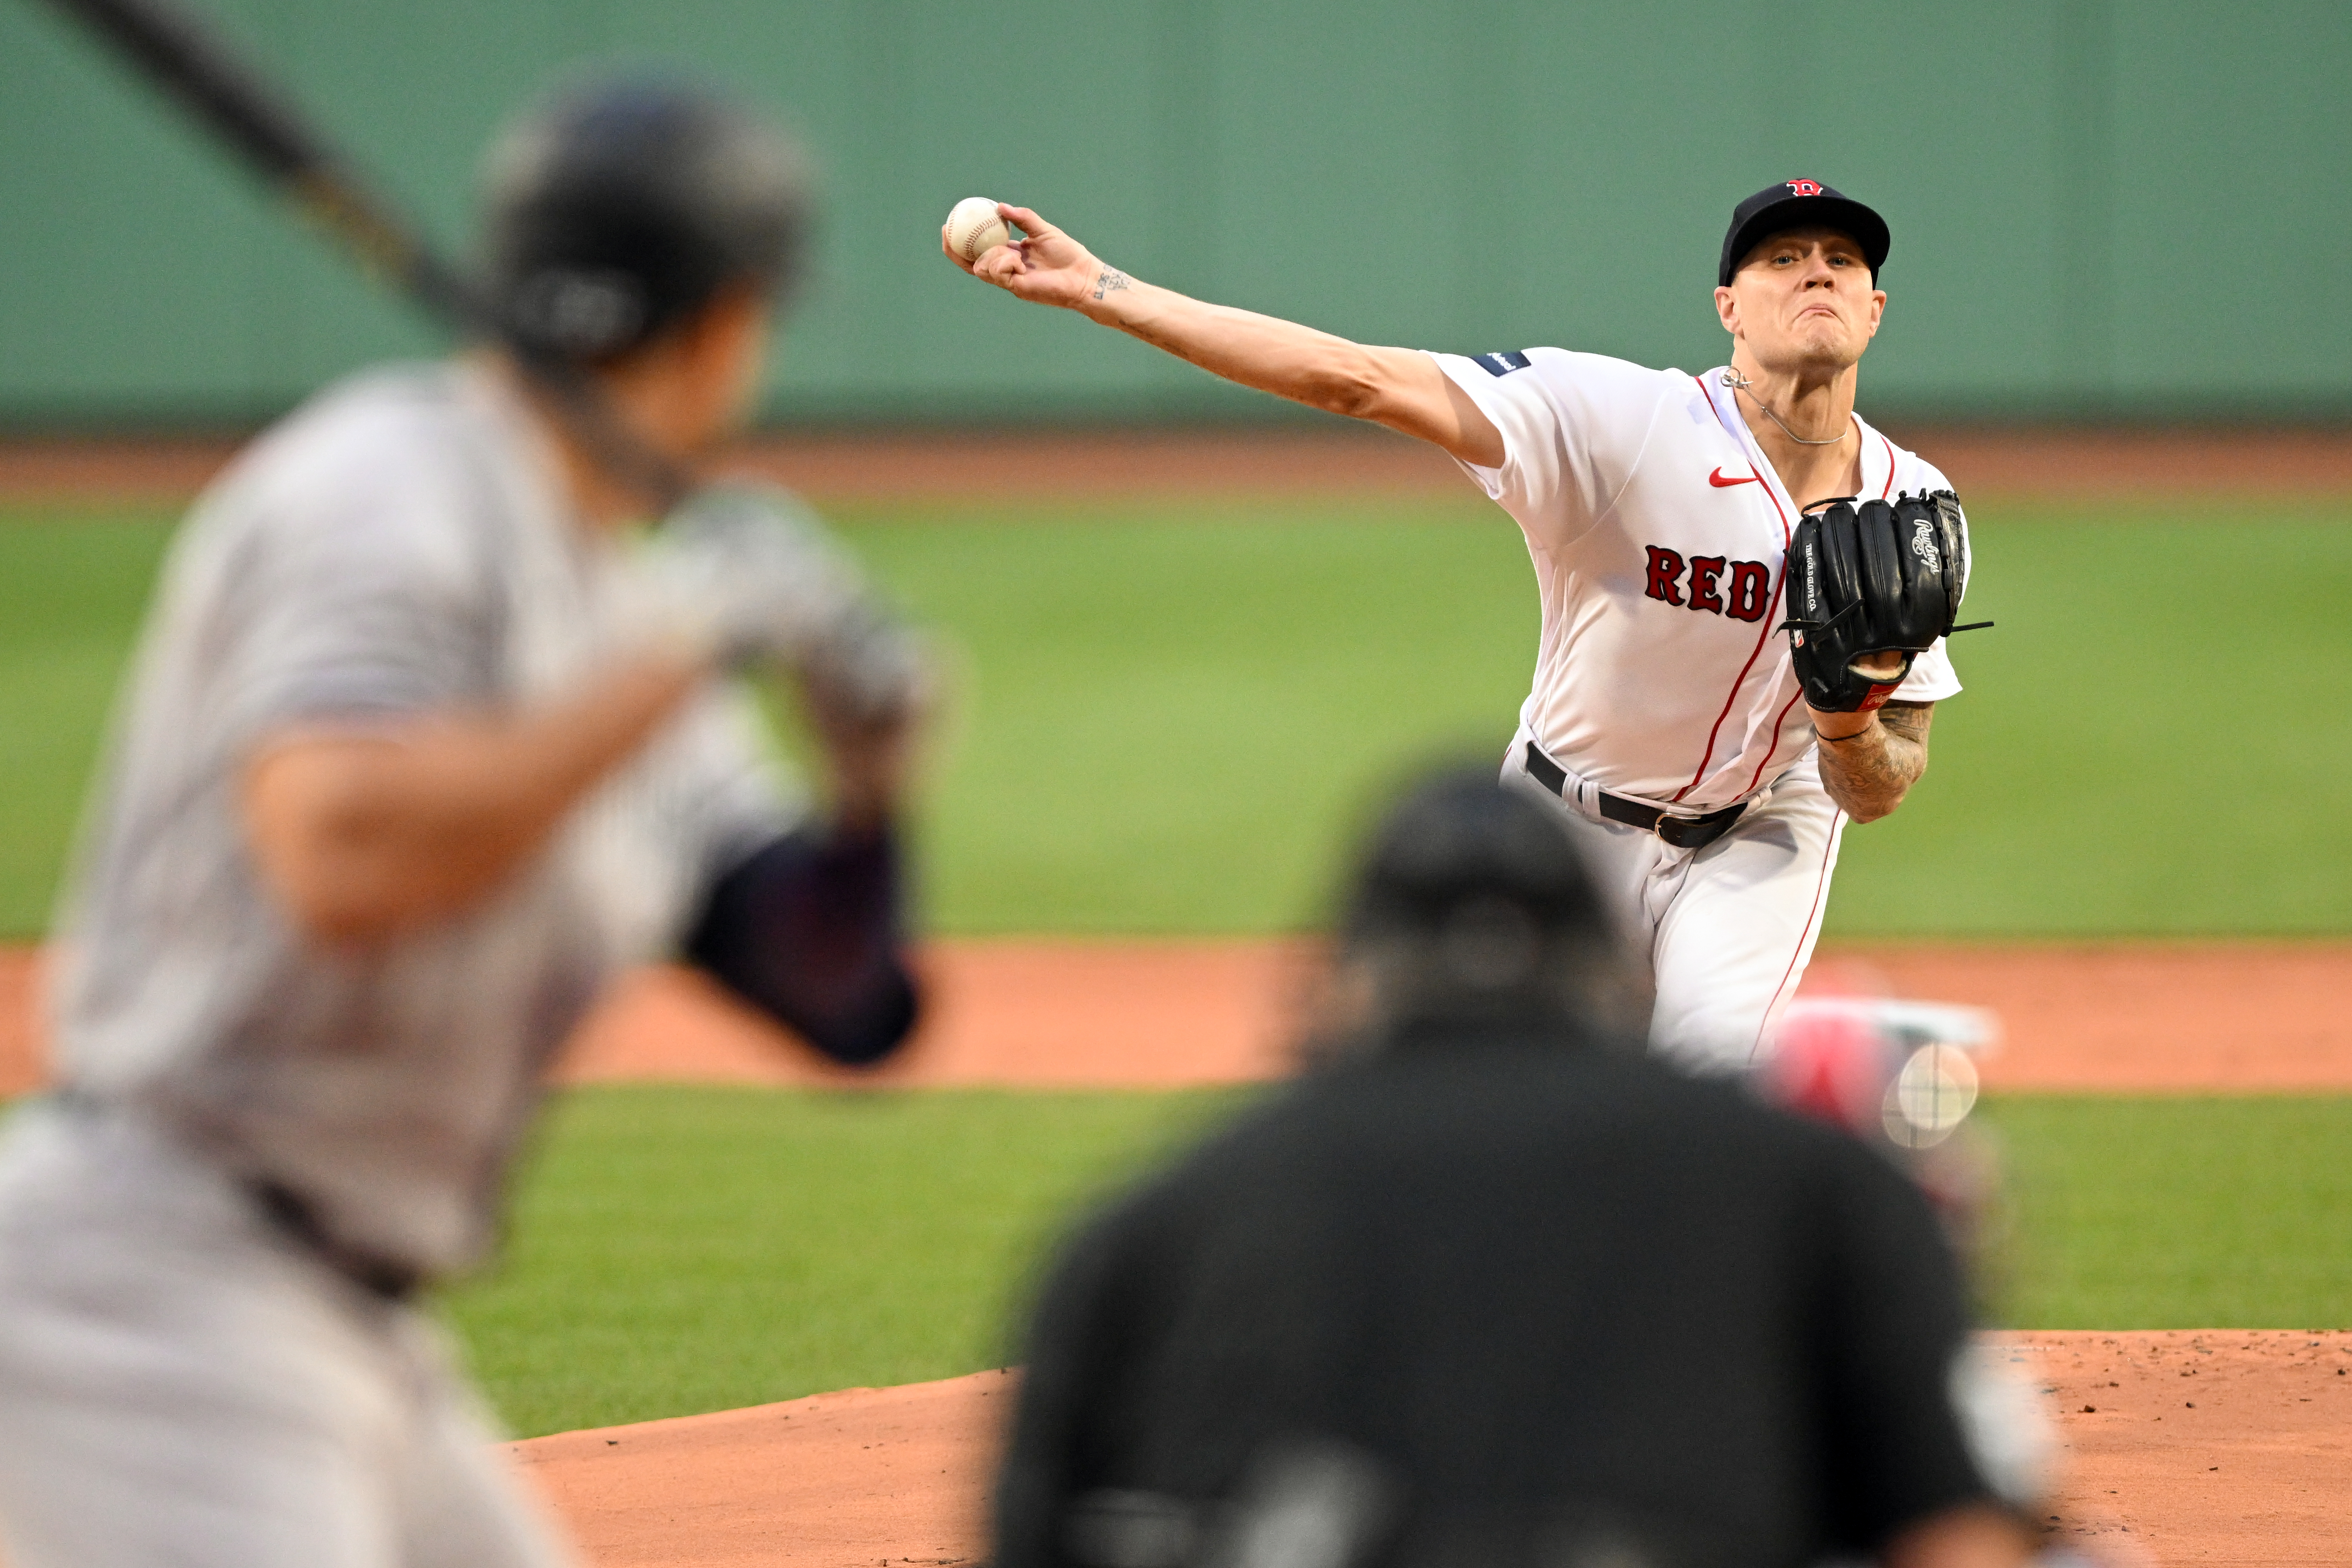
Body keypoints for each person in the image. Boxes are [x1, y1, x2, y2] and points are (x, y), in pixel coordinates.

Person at [0, 78, 927, 1568]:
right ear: (727, 327)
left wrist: (871, 792)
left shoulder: (631, 623)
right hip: (148, 1294)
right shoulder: (385, 494)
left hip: (352, 1325)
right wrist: (678, 655)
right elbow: (339, 853)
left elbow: (842, 1001)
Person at [946, 180, 1963, 1073]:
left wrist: (1845, 722)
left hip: (1760, 837)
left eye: (1841, 262)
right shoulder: (1622, 422)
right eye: (1782, 259)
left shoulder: (1913, 509)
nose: (1815, 275)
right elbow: (1357, 379)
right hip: (1567, 825)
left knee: (1708, 1097)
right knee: (1509, 1095)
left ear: (1874, 312)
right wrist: (1103, 291)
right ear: (1728, 307)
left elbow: (1880, 788)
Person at [992, 769, 2039, 1568]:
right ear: (1613, 980)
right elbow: (1960, 1532)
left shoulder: (1142, 1232)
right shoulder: (1813, 1189)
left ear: (1336, 988)